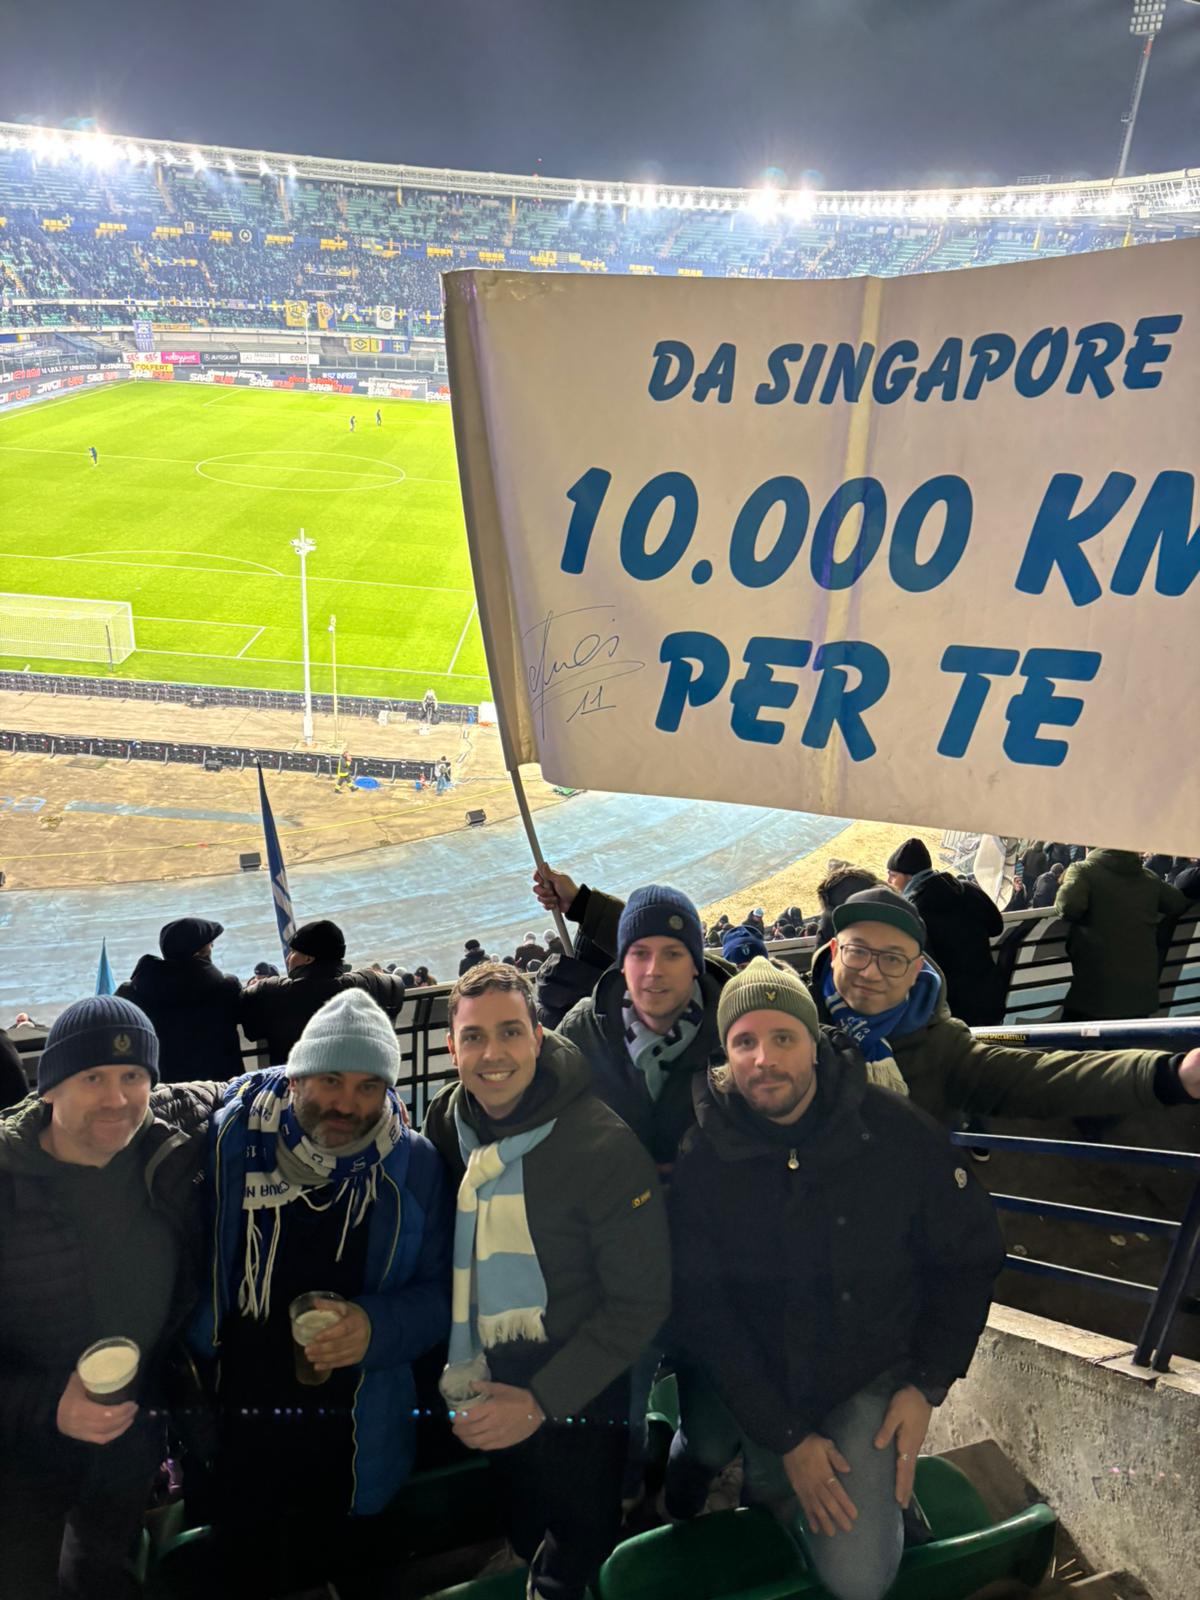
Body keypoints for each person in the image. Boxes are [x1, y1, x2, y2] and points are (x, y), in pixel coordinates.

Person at [666, 959, 1004, 1600]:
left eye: (783, 1038)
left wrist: (927, 1382)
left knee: (859, 1577)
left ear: (815, 1045)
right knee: (708, 1444)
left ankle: (881, 1501)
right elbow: (704, 1313)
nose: (764, 1059)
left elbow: (970, 1253)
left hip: (863, 1370)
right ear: (726, 1056)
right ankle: (686, 1484)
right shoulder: (703, 1159)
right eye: (745, 1042)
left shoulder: (896, 1131)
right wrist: (785, 1435)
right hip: (754, 1372)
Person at [190, 989, 453, 1599]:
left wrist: (377, 1328)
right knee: (243, 1564)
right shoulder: (230, 1140)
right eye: (330, 1080)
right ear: (296, 1076)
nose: (347, 1104)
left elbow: (442, 1293)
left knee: (343, 1561)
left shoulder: (412, 1166)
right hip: (237, 1419)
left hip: (357, 1430)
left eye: (368, 1087)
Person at [423, 963, 670, 1600]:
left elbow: (640, 1304)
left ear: (539, 1035)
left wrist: (540, 1402)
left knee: (582, 1530)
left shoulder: (602, 1147)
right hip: (484, 1367)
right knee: (523, 1508)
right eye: (474, 1037)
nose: (493, 1053)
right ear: (451, 1049)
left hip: (580, 1380)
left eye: (510, 1032)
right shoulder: (447, 1123)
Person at [0, 996, 219, 1600]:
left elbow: (232, 1091)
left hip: (131, 1430)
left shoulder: (169, 1157)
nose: (117, 1098)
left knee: (103, 1569)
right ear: (48, 1089)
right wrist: (47, 1406)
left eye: (133, 1077)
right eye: (92, 1076)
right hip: (19, 1455)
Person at [807, 886, 1200, 1124]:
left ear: (916, 971)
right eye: (858, 952)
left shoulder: (943, 1048)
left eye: (892, 959)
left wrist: (1171, 1074)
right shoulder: (793, 1016)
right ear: (834, 951)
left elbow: (1045, 1079)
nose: (871, 973)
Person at [237, 918, 405, 1066]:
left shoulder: (273, 991)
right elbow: (396, 983)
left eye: (294, 952)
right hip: (350, 1085)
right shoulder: (362, 984)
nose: (289, 958)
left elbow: (250, 1023)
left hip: (296, 1089)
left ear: (309, 959)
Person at [1056, 848, 1188, 1022]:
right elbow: (1177, 903)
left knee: (1070, 1040)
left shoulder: (1083, 870)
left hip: (1094, 994)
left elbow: (1068, 907)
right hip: (1140, 997)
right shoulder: (1148, 878)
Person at [885, 838, 1004, 1025]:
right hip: (991, 996)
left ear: (908, 876)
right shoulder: (968, 890)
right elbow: (997, 927)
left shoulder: (913, 914)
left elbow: (924, 972)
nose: (888, 881)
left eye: (892, 875)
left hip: (952, 1012)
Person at [117, 916, 243, 1082]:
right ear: (200, 952)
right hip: (222, 1088)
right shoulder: (226, 987)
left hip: (164, 1091)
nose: (212, 946)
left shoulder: (132, 992)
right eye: (210, 944)